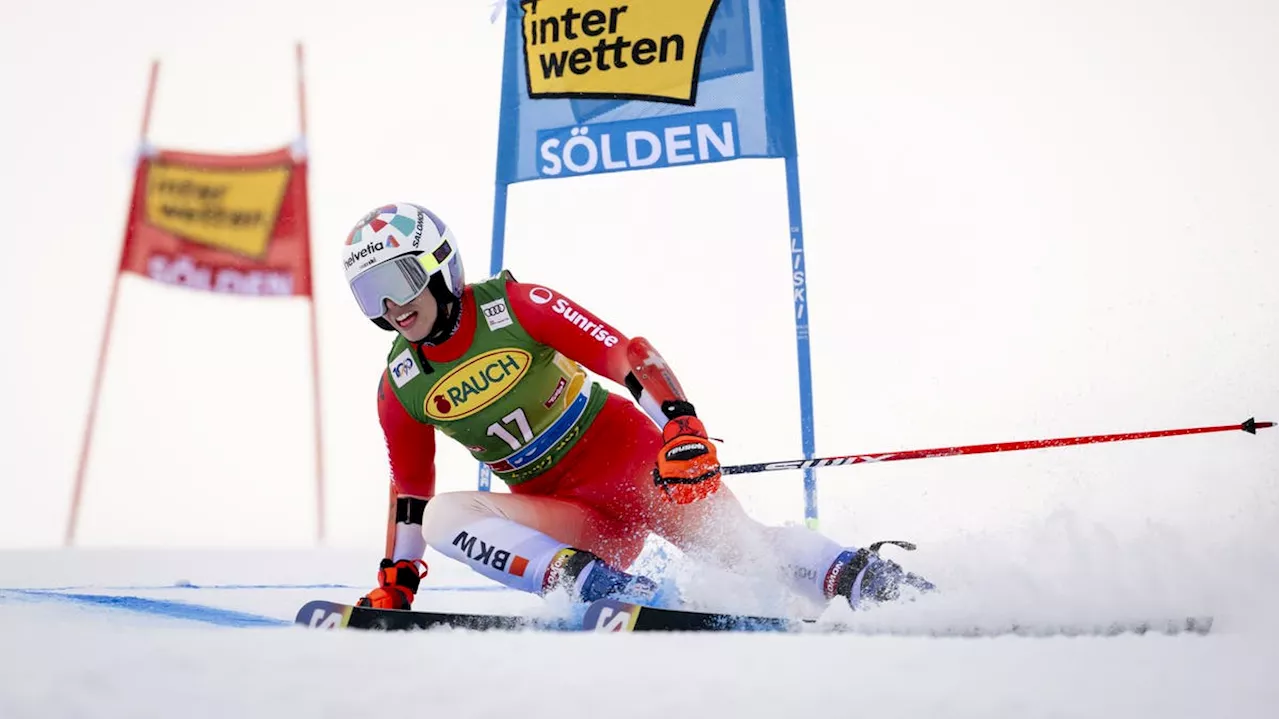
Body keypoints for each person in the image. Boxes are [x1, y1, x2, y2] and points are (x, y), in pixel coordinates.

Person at [343, 202, 935, 614]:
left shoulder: (518, 305)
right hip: (572, 524)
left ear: (438, 264)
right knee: (443, 517)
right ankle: (605, 589)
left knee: (746, 553)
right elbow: (410, 489)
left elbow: (623, 353)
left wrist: (680, 426)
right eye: (371, 293)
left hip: (637, 468)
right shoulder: (400, 385)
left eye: (398, 278)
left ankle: (877, 585)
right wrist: (397, 581)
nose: (391, 305)